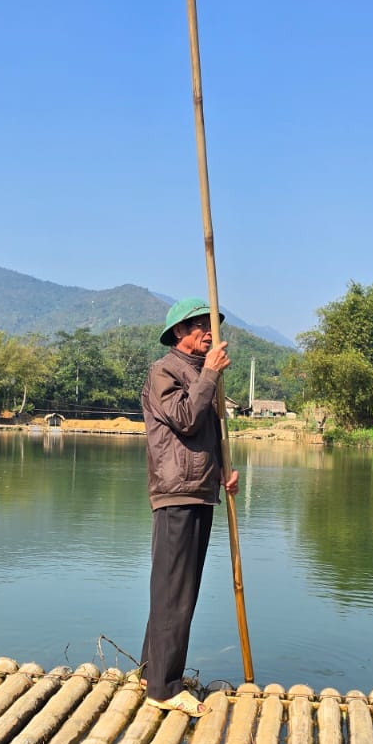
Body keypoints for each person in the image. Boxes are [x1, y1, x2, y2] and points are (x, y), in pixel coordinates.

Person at [140, 297, 239, 717]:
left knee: (178, 588)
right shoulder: (164, 372)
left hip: (199, 489)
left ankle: (151, 671)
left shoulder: (200, 375)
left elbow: (202, 436)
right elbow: (185, 419)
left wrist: (221, 470)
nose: (208, 333)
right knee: (174, 592)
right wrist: (212, 374)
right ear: (179, 332)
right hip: (177, 493)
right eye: (200, 325)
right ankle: (164, 689)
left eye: (211, 326)